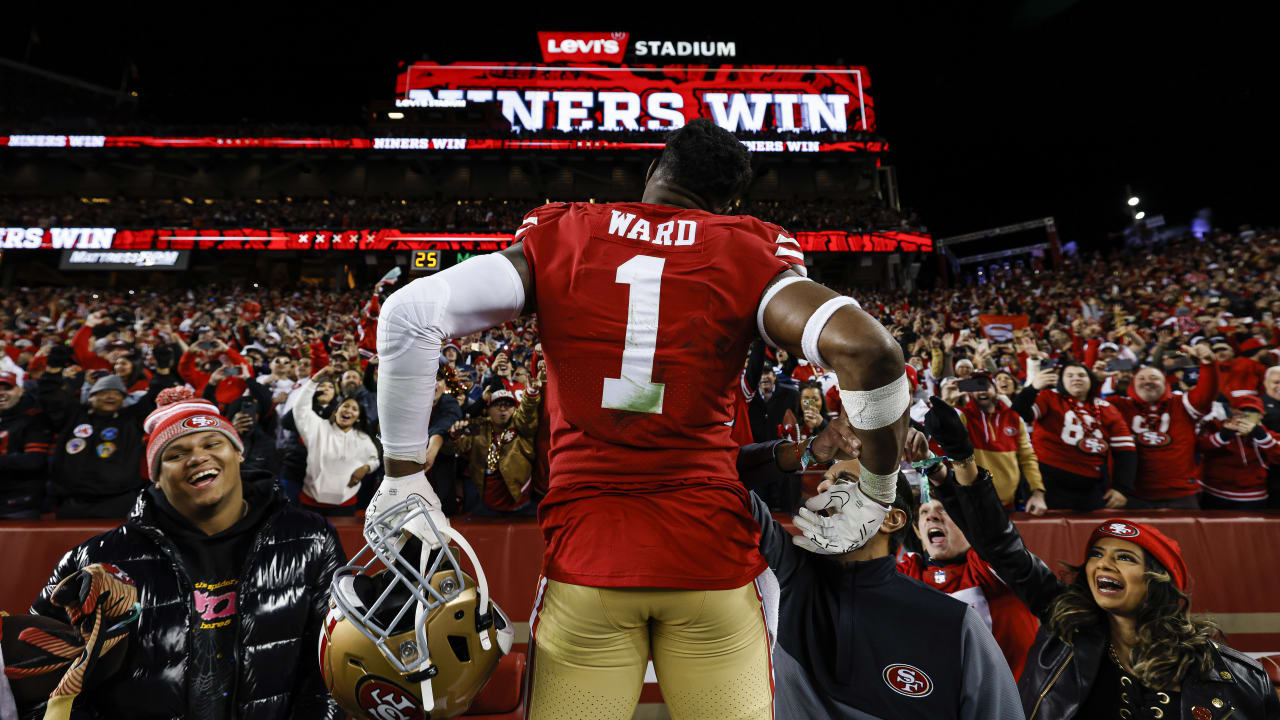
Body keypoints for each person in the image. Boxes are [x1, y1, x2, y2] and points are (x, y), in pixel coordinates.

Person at [370, 118, 908, 718]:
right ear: (728, 204)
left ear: (655, 170)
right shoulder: (748, 247)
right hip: (713, 563)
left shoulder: (563, 233)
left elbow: (407, 315)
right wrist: (877, 491)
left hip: (588, 559)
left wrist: (402, 476)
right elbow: (870, 351)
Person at [922, 395, 1280, 720]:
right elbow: (1000, 545)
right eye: (1096, 554)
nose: (1103, 565)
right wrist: (961, 458)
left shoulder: (1239, 676)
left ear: (1160, 580)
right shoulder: (1066, 624)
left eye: (1124, 557)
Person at [30, 398, 344, 719]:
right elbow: (37, 676)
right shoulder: (95, 558)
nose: (197, 457)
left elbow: (329, 667)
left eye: (212, 443)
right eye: (176, 454)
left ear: (238, 452)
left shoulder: (311, 538)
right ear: (155, 476)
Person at [744, 444, 1021, 718]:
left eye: (845, 483)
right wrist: (806, 451)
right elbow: (717, 476)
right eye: (825, 482)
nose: (823, 490)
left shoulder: (957, 625)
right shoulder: (787, 571)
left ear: (890, 519)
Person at [39, 369, 164, 518]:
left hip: (120, 502)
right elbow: (51, 396)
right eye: (103, 392)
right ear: (90, 397)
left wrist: (162, 369)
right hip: (74, 502)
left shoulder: (131, 420)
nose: (110, 396)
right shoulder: (73, 416)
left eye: (117, 393)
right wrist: (57, 368)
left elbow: (155, 396)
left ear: (124, 400)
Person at [1013, 360, 1136, 511]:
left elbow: (1125, 451)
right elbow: (1019, 413)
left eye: (1081, 375)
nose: (1076, 378)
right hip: (1048, 479)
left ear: (1091, 380)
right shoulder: (1049, 397)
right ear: (1061, 381)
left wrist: (1122, 488)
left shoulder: (1107, 408)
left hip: (1090, 482)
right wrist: (1032, 389)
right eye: (1069, 375)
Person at [1109, 343, 1218, 508]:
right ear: (1132, 385)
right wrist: (1096, 381)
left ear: (1165, 383)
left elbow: (1205, 394)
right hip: (1132, 494)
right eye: (1142, 378)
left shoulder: (1182, 404)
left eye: (1154, 378)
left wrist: (1208, 365)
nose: (1148, 382)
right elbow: (1086, 405)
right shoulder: (1118, 405)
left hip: (1180, 494)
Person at [291, 366, 380, 516]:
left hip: (345, 505)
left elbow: (374, 460)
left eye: (354, 409)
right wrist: (314, 380)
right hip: (310, 503)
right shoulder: (318, 427)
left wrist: (365, 468)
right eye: (345, 406)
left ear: (358, 417)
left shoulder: (362, 438)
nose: (348, 410)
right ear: (335, 411)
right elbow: (300, 408)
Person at [953, 373, 1046, 513]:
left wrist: (1038, 491)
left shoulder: (1014, 418)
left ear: (995, 390)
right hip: (971, 504)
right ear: (970, 393)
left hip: (1008, 505)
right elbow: (945, 438)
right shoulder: (962, 416)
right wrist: (947, 402)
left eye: (986, 386)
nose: (982, 390)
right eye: (976, 387)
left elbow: (1028, 458)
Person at [445, 387, 541, 515]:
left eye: (508, 405)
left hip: (523, 505)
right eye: (497, 405)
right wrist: (453, 438)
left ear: (515, 409)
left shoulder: (521, 427)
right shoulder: (477, 426)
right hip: (486, 507)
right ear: (488, 410)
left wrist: (531, 394)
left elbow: (528, 414)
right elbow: (451, 450)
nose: (503, 409)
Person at [1197, 395, 1280, 509]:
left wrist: (1262, 437)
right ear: (1232, 412)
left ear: (1261, 415)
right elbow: (1197, 448)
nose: (1246, 416)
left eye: (1252, 412)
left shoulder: (1268, 435)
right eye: (1242, 411)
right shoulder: (1217, 427)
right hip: (1214, 493)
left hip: (1252, 497)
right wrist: (1222, 437)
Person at [0, 370, 54, 517]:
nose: (1, 393)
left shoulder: (35, 419)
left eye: (8, 388)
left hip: (19, 502)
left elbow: (34, 460)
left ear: (20, 390)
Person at [749, 367, 800, 443]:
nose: (764, 377)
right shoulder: (749, 397)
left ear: (774, 376)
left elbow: (799, 419)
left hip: (781, 448)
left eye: (767, 373)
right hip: (755, 448)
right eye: (761, 374)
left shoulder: (791, 394)